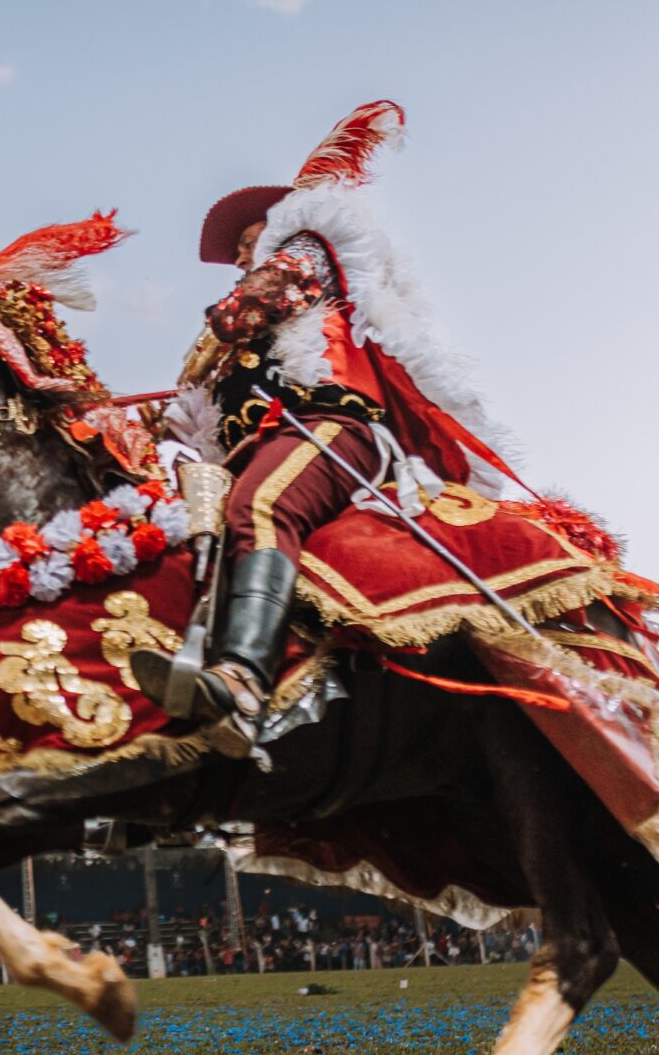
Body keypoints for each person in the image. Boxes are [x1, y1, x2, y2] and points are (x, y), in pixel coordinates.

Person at [133, 101, 522, 747]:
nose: (238, 256)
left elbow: (246, 309)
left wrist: (212, 337)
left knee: (261, 507)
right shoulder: (253, 302)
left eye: (244, 240)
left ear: (279, 221)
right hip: (261, 443)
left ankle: (242, 682)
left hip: (331, 429)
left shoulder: (308, 251)